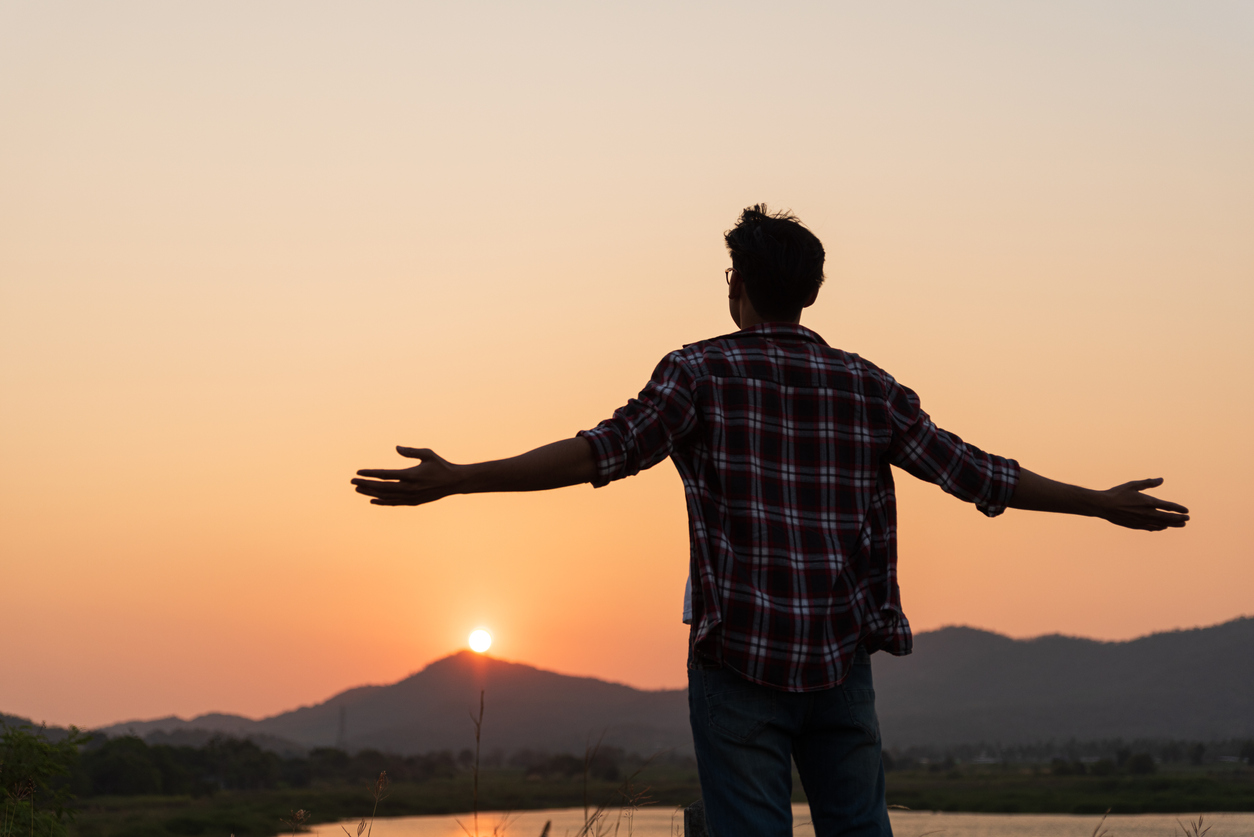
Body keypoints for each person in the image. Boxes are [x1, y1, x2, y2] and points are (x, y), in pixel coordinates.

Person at [351, 205, 1189, 836]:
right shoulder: (867, 386)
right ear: (812, 290)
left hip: (739, 663)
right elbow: (980, 476)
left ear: (736, 288)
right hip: (839, 663)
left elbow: (595, 454)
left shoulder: (698, 373)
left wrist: (460, 478)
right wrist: (1100, 502)